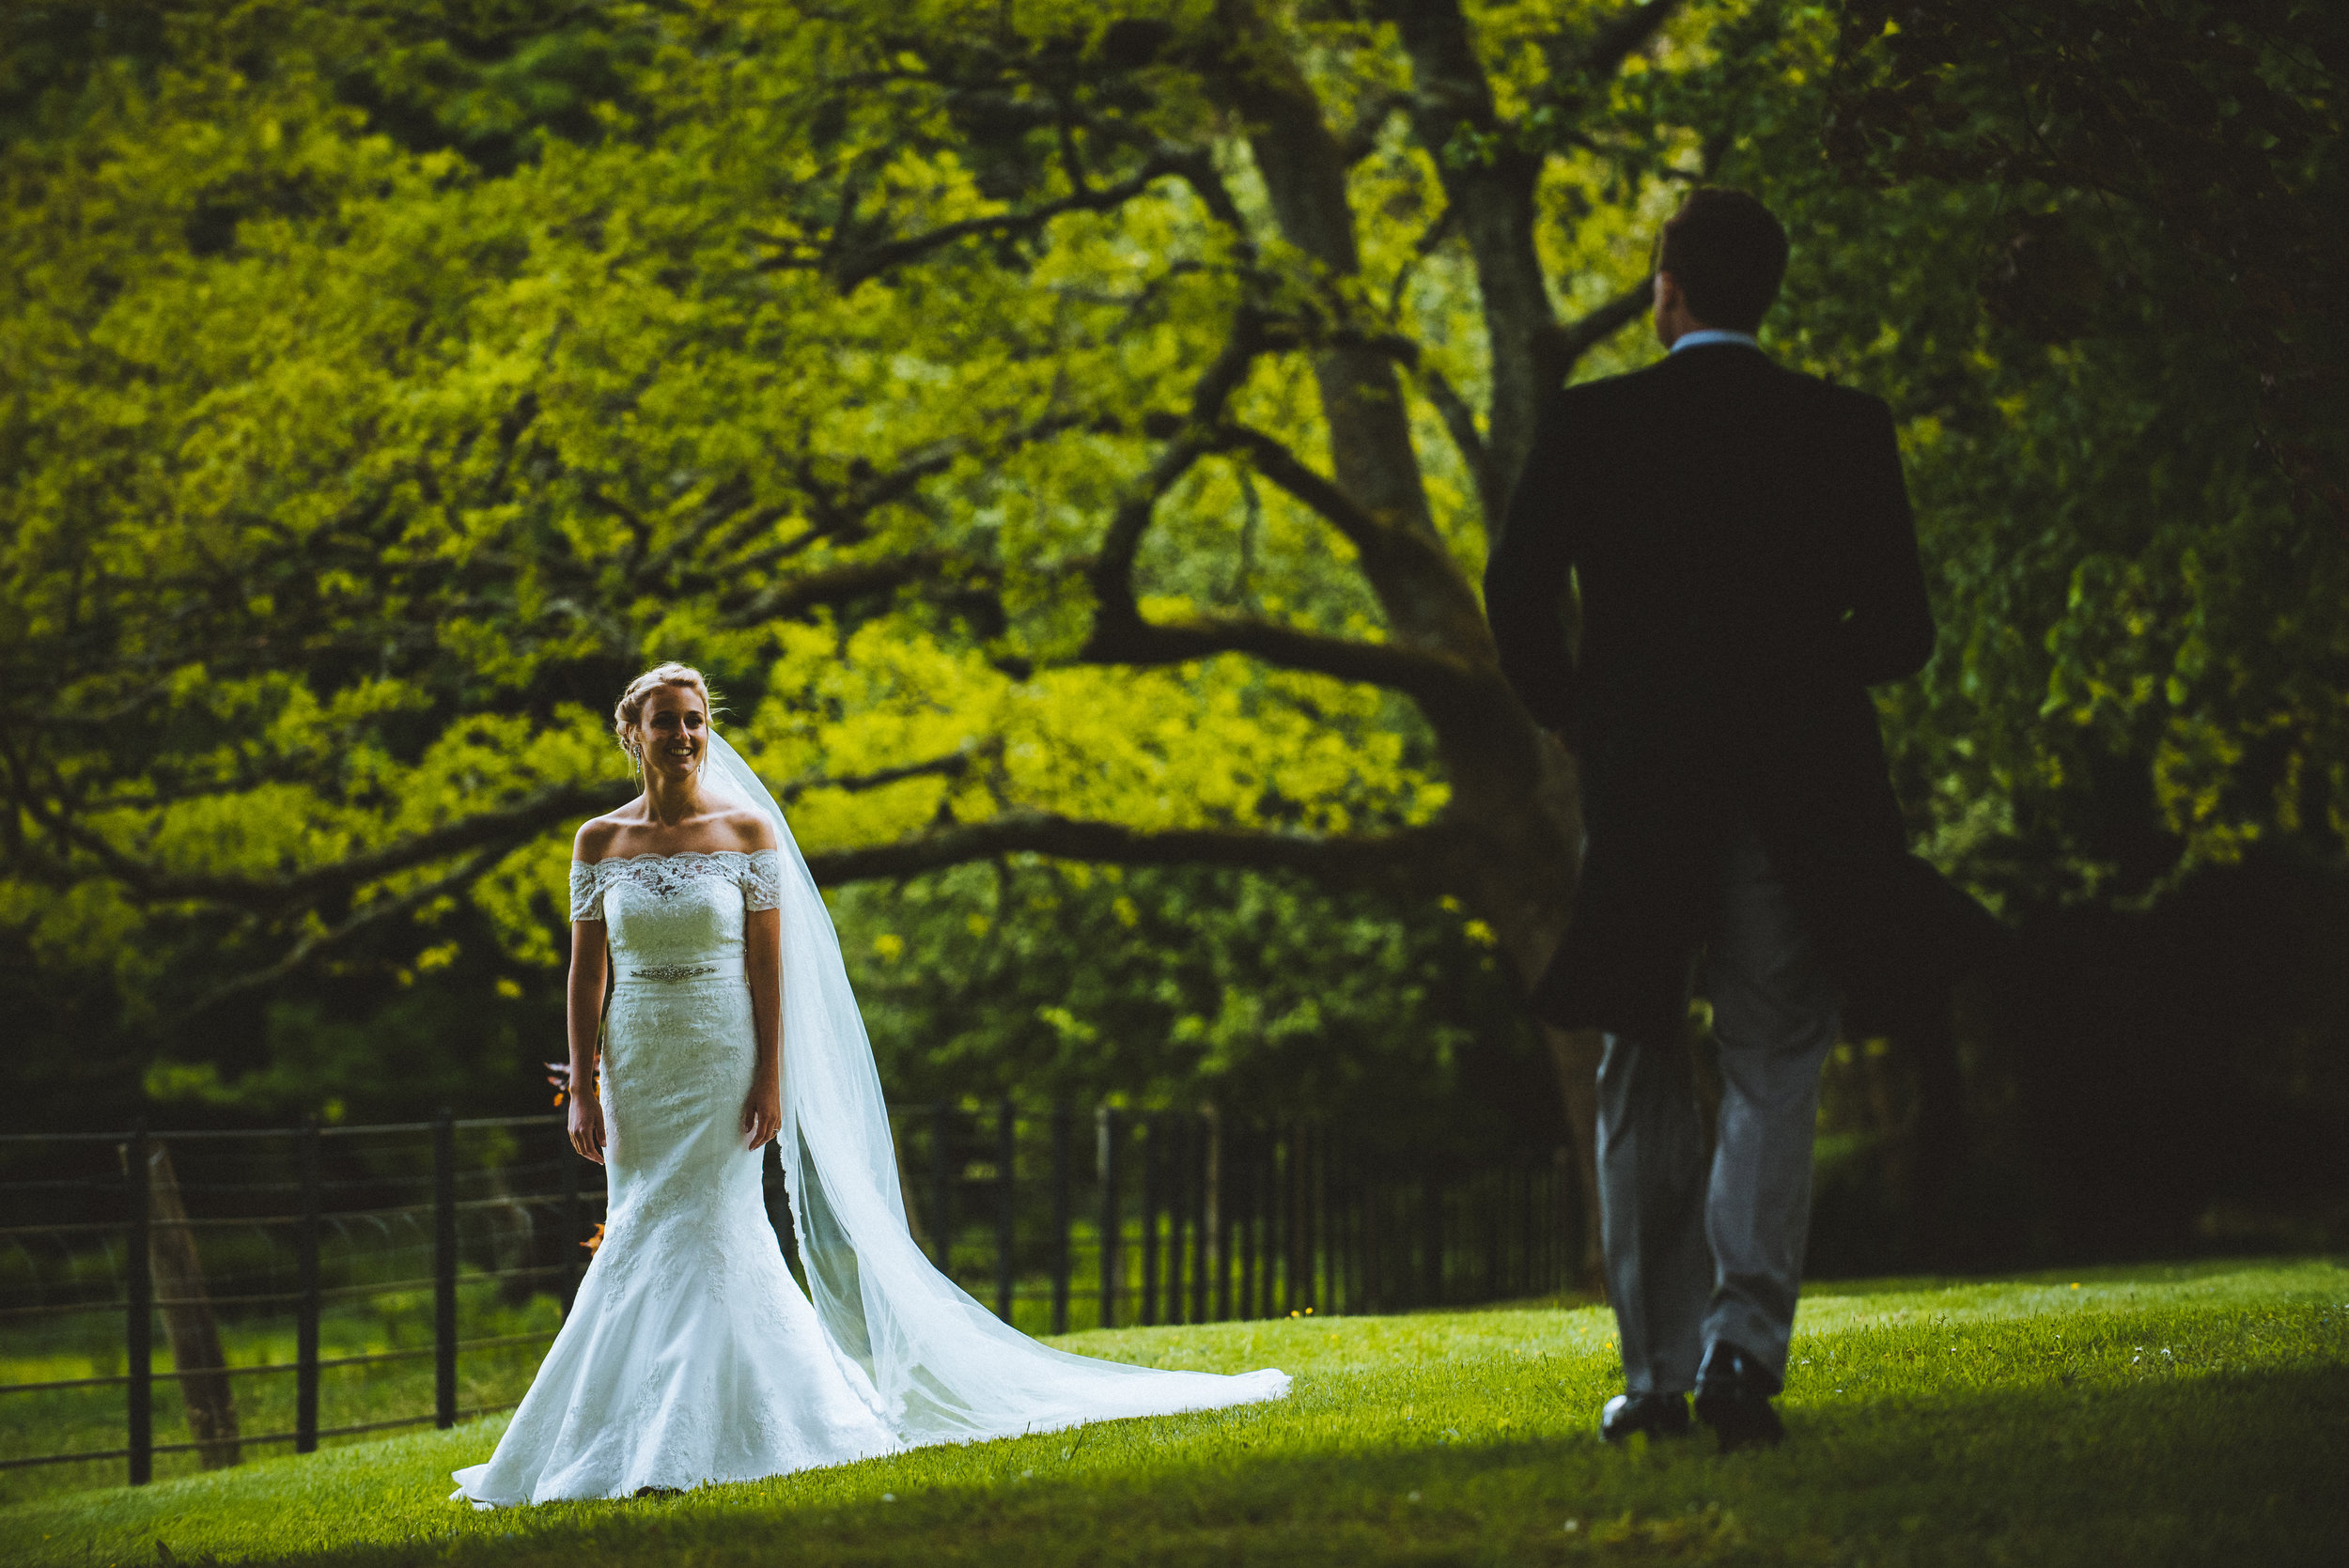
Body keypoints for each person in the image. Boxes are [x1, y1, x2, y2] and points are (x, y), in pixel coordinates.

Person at [451, 664, 1287, 1506]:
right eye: (665, 721)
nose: (682, 736)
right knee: (639, 1225)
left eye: (694, 720)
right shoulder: (599, 842)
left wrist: (771, 1075)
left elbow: (768, 967)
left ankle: (732, 1425)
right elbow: (584, 973)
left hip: (721, 1054)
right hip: (639, 1061)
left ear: (708, 729)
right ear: (633, 732)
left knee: (716, 1226)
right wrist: (589, 1085)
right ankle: (611, 1430)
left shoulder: (745, 832)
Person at [1484, 188, 1952, 1452]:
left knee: (1639, 1061)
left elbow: (1516, 592)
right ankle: (1745, 1351)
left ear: (1668, 291)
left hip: (1645, 792)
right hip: (1801, 789)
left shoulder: (1596, 423)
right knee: (1775, 1058)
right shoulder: (1843, 429)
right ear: (1768, 291)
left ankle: (1654, 1375)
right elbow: (1903, 633)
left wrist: (1576, 709)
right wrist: (1799, 670)